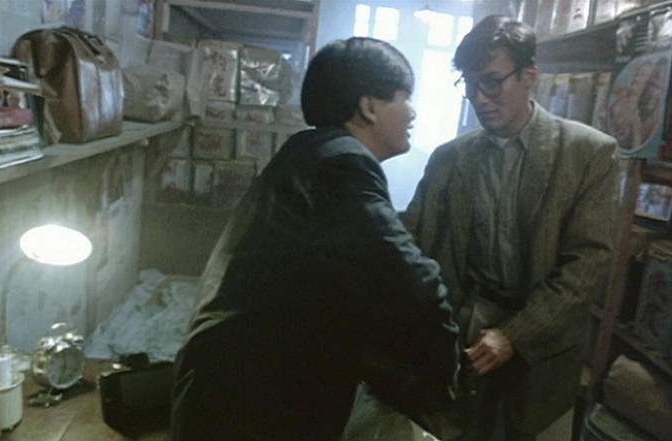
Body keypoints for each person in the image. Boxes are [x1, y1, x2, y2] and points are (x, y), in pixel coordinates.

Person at [170, 37, 460, 441]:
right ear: (369, 107)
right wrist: (448, 381)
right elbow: (413, 283)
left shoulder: (310, 152)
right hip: (248, 406)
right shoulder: (343, 166)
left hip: (232, 389)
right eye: (404, 97)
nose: (412, 112)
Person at [403, 16, 620, 441]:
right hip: (464, 330)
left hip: (543, 340)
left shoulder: (587, 153)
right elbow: (411, 238)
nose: (479, 98)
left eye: (491, 82)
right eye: (469, 85)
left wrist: (514, 336)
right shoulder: (449, 157)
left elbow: (586, 264)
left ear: (529, 76)